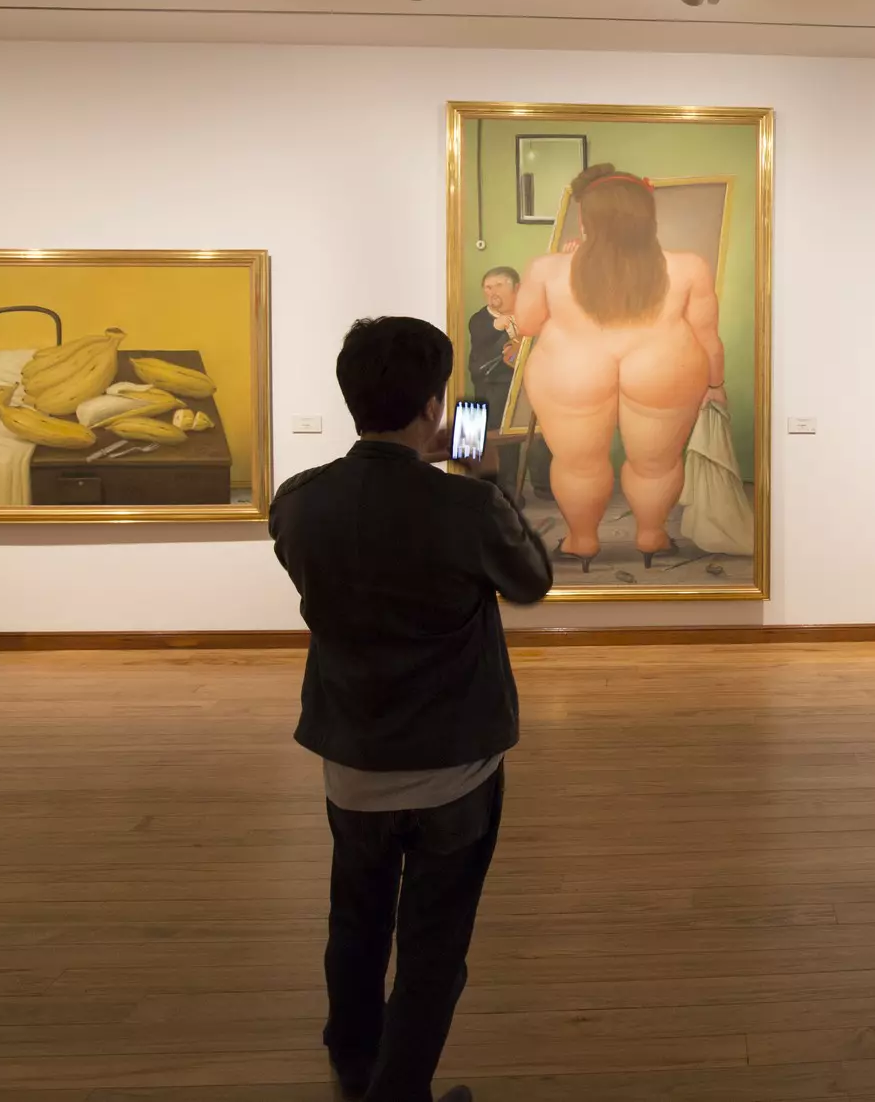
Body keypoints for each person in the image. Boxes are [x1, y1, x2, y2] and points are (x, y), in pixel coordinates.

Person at [270, 316, 551, 1102]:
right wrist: (483, 481)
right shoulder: (466, 510)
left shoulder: (299, 503)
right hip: (454, 768)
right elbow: (531, 582)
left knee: (355, 923)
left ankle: (353, 1064)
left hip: (351, 763)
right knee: (434, 945)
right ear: (435, 407)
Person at [512, 165, 725, 571]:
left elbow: (526, 325)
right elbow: (707, 335)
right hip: (663, 367)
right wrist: (715, 382)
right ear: (648, 217)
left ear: (585, 218)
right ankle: (651, 536)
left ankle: (582, 542)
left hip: (571, 371)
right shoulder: (689, 266)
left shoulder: (547, 268)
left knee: (577, 464)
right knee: (657, 463)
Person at [465, 266, 528, 499]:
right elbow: (481, 341)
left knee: (513, 436)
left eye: (499, 285)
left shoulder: (528, 314)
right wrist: (498, 327)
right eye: (488, 287)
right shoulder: (480, 319)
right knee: (493, 434)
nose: (493, 292)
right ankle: (490, 489)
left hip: (523, 383)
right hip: (491, 384)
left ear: (517, 288)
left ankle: (513, 488)